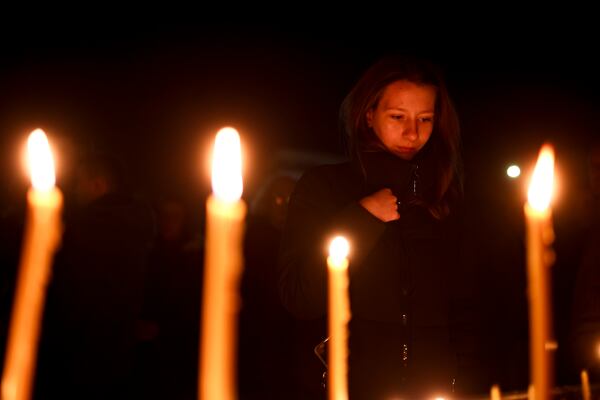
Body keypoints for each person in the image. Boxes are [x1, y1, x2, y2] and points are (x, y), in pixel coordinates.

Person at [278, 55, 484, 399]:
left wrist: (467, 380)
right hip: (350, 387)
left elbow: (471, 309)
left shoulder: (447, 198)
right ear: (369, 115)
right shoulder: (324, 186)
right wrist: (361, 218)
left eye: (425, 119)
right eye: (398, 117)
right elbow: (300, 295)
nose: (412, 133)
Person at [35, 152, 155, 399]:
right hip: (126, 346)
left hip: (81, 345)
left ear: (98, 185)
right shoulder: (143, 226)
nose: (75, 190)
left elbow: (69, 290)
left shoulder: (83, 228)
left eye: (79, 182)